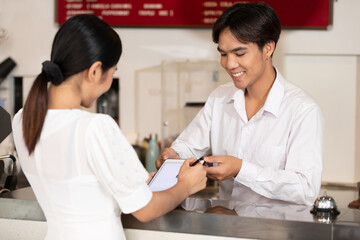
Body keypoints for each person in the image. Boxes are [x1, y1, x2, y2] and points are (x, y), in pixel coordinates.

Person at [12, 14, 207, 240]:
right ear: (95, 71)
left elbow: (79, 184)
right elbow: (146, 210)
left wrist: (139, 180)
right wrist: (186, 185)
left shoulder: (23, 119)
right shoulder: (94, 127)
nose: (107, 84)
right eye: (111, 73)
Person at [156, 2, 323, 206]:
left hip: (279, 231)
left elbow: (306, 189)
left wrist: (241, 169)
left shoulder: (302, 109)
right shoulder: (220, 98)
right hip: (229, 227)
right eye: (223, 54)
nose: (229, 64)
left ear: (268, 48)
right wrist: (174, 155)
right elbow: (189, 145)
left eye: (239, 54)